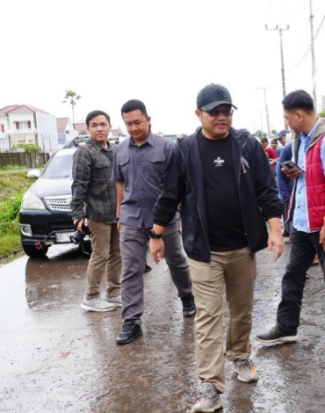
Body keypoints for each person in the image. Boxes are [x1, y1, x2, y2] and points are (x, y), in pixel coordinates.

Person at [150, 84, 284, 413]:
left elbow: (266, 190)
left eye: (227, 111)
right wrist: (155, 234)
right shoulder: (184, 150)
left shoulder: (248, 145)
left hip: (242, 246)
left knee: (241, 311)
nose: (222, 117)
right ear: (199, 114)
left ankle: (239, 355)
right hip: (203, 250)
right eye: (215, 112)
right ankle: (210, 384)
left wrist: (275, 230)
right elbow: (170, 195)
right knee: (208, 316)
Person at [256, 90, 325, 350]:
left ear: (299, 114)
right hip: (302, 222)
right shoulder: (301, 140)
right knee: (293, 275)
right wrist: (297, 173)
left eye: (288, 117)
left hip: (323, 223)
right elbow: (314, 176)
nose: (287, 122)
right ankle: (286, 327)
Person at [113, 99, 195, 345]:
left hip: (164, 217)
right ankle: (132, 321)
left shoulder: (167, 148)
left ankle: (187, 297)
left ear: (148, 119)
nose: (133, 128)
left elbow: (177, 185)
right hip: (131, 218)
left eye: (137, 122)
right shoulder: (121, 151)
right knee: (130, 269)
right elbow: (120, 185)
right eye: (128, 124)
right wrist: (119, 215)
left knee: (176, 260)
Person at [71, 110, 121, 313]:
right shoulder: (84, 152)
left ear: (109, 126)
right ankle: (91, 297)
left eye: (103, 124)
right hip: (97, 214)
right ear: (88, 128)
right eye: (94, 125)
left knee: (117, 254)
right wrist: (77, 215)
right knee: (100, 255)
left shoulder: (115, 150)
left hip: (117, 213)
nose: (99, 128)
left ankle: (113, 294)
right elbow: (79, 185)